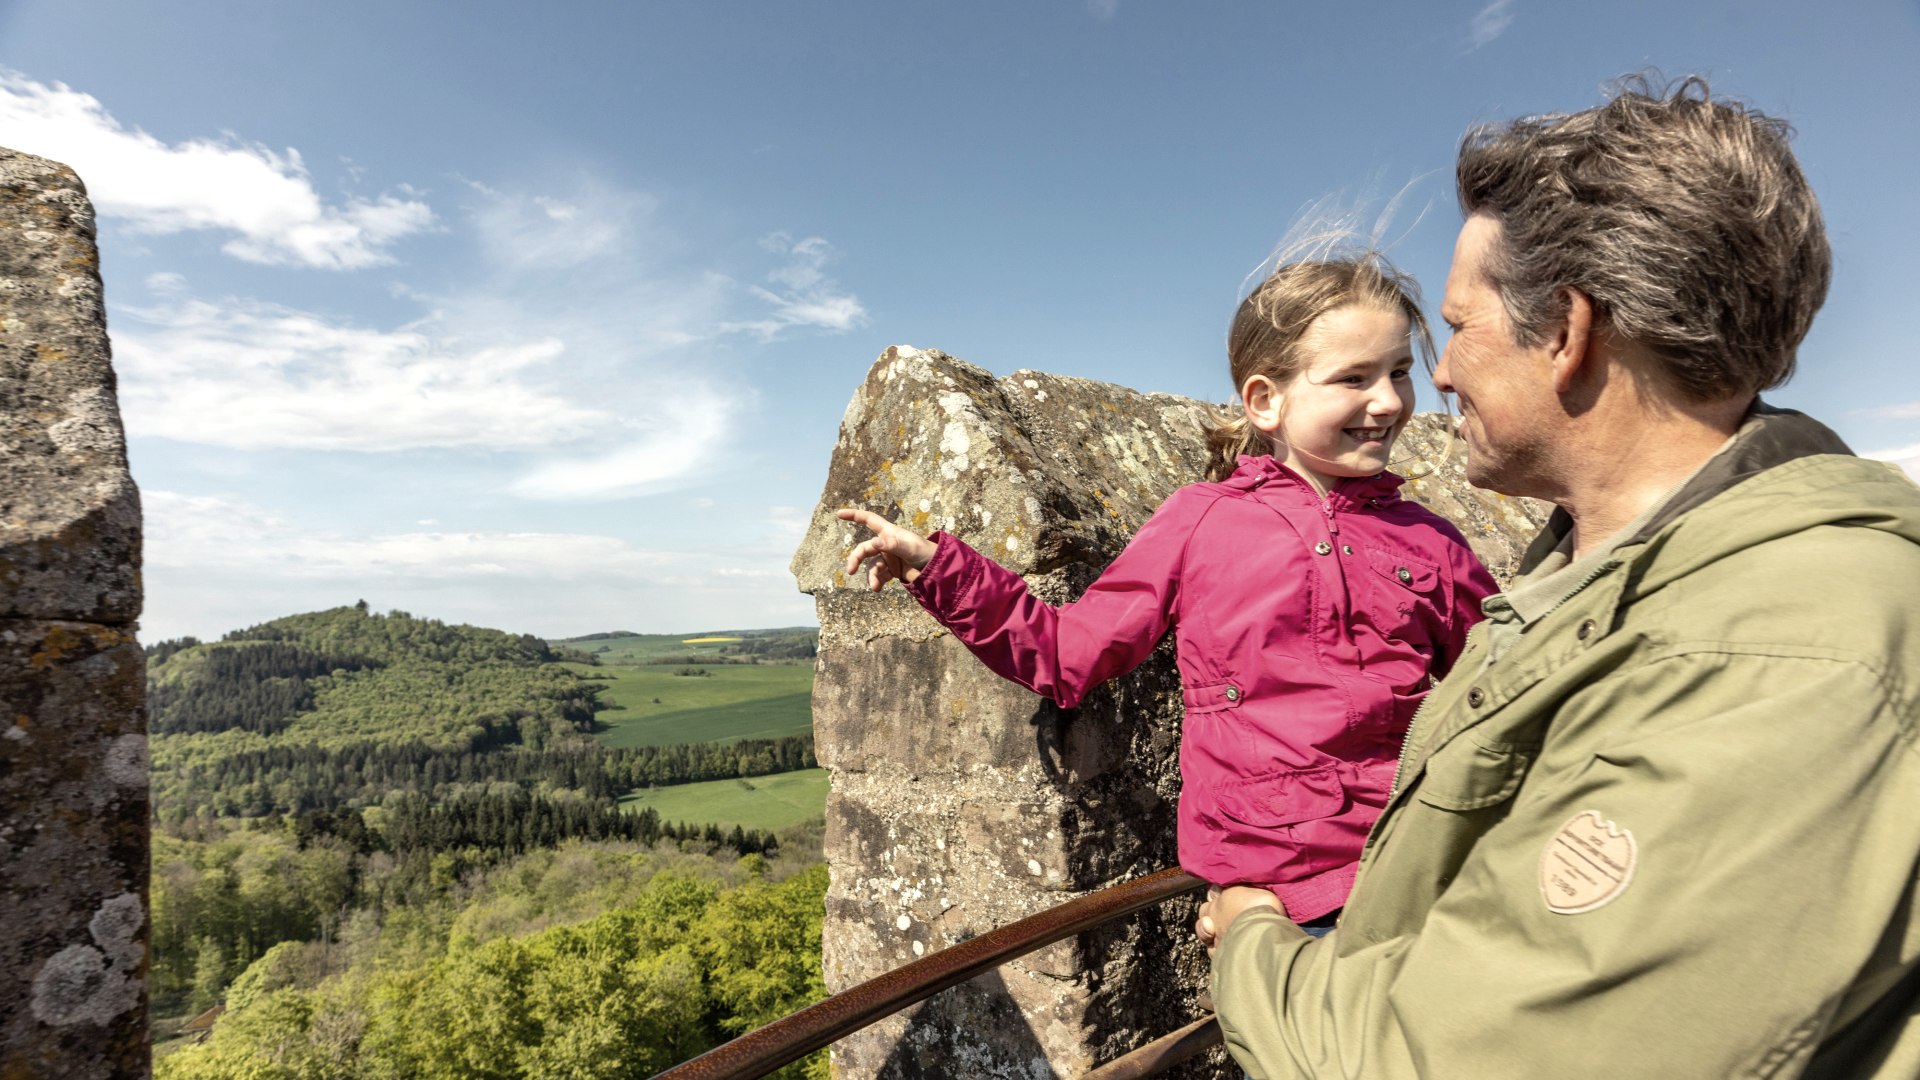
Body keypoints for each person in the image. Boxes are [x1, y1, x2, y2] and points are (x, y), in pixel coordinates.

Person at [1199, 76, 1920, 1078]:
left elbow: (1446, 1061)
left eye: (1454, 330)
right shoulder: (1604, 566)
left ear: (1568, 332)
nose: (1435, 378)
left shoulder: (1779, 660)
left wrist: (1249, 944)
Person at [840, 246, 1499, 935]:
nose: (1390, 400)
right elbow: (1068, 655)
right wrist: (935, 567)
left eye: (1399, 371)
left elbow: (1503, 683)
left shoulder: (1431, 540)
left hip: (1428, 870)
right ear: (1265, 401)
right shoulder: (1200, 521)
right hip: (1287, 903)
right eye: (1353, 378)